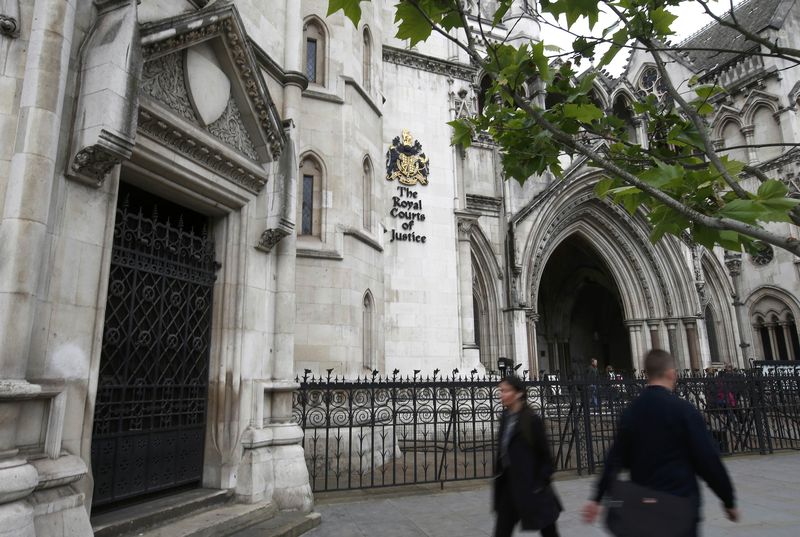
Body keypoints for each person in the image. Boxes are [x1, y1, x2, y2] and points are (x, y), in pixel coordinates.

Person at [582, 349, 739, 536]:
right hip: (680, 507)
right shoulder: (684, 411)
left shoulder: (631, 412)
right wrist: (728, 500)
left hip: (645, 508)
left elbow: (613, 460)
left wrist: (597, 498)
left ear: (646, 374)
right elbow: (709, 460)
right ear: (672, 374)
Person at [494, 374, 562, 537]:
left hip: (532, 487)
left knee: (548, 531)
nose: (501, 394)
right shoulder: (504, 417)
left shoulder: (532, 420)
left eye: (505, 391)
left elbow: (546, 458)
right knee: (501, 532)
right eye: (500, 390)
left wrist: (539, 484)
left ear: (517, 394)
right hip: (509, 487)